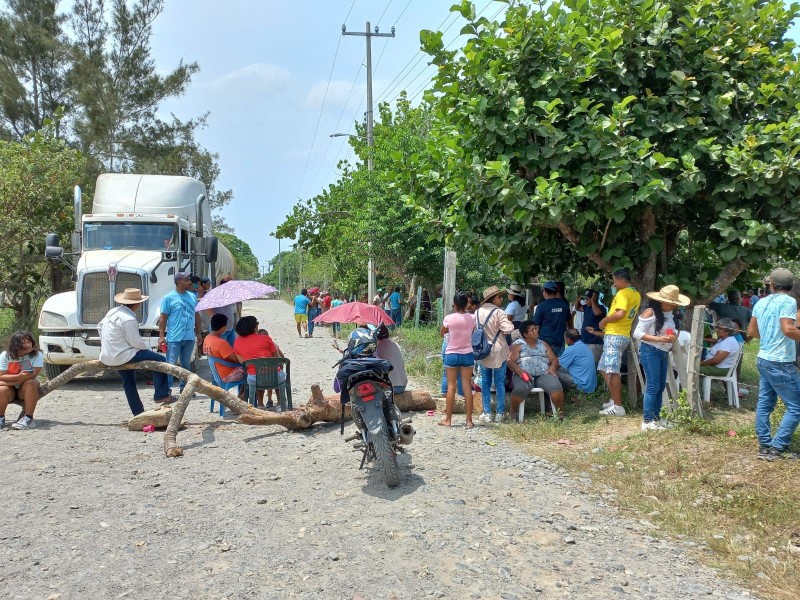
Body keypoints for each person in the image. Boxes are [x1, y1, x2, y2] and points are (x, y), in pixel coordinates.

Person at [747, 268, 800, 460]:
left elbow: (751, 330)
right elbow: (788, 329)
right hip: (781, 361)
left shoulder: (761, 302)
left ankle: (765, 445)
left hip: (764, 357)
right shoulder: (788, 301)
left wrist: (769, 339)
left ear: (771, 285)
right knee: (796, 406)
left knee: (765, 403)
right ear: (791, 285)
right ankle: (777, 447)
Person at [98, 288, 175, 415]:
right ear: (138, 304)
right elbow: (136, 342)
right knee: (160, 359)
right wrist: (150, 350)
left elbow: (99, 327)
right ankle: (161, 395)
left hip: (108, 355)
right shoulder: (128, 318)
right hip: (123, 354)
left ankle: (138, 413)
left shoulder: (112, 312)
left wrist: (107, 345)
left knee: (129, 383)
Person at [632, 285, 689, 431]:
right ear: (661, 301)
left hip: (663, 352)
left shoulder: (669, 314)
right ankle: (647, 420)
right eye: (670, 303)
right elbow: (637, 334)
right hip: (650, 351)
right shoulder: (650, 312)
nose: (672, 306)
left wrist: (672, 336)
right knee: (652, 386)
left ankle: (656, 418)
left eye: (674, 304)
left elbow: (672, 331)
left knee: (660, 385)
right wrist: (659, 339)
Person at [588, 267, 641, 417]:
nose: (614, 284)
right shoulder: (635, 294)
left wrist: (604, 320)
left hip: (616, 334)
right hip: (620, 334)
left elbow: (620, 313)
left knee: (612, 370)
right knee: (603, 368)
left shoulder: (623, 293)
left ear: (621, 280)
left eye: (615, 281)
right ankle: (614, 399)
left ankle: (618, 407)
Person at [508, 321, 565, 420]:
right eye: (532, 330)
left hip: (543, 373)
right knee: (521, 389)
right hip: (524, 374)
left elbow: (554, 359)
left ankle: (559, 412)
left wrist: (552, 368)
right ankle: (513, 411)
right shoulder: (519, 345)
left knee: (556, 386)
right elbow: (510, 361)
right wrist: (520, 372)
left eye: (536, 328)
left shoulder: (543, 344)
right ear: (525, 334)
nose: (536, 331)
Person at [158, 272, 202, 395]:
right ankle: (166, 391)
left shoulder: (192, 296)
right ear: (179, 282)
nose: (190, 282)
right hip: (174, 337)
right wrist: (161, 336)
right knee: (171, 365)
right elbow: (163, 319)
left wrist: (198, 333)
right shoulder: (168, 298)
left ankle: (185, 389)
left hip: (189, 337)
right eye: (187, 280)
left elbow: (196, 316)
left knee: (186, 365)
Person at [475, 285, 514, 423]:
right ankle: (500, 413)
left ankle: (487, 413)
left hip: (483, 349)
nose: (501, 299)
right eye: (499, 297)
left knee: (485, 382)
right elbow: (508, 329)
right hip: (498, 350)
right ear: (493, 299)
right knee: (499, 382)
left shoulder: (478, 312)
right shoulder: (499, 312)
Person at [439, 292, 476, 428]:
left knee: (451, 387)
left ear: (454, 304)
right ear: (467, 304)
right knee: (467, 386)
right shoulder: (472, 318)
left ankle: (448, 420)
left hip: (452, 353)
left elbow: (442, 332)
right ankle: (469, 420)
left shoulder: (449, 318)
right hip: (467, 353)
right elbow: (472, 331)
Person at [233, 315, 286, 409]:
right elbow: (276, 358)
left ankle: (260, 404)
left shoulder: (237, 342)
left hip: (254, 380)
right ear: (254, 327)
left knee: (255, 373)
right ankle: (280, 402)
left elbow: (243, 362)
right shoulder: (266, 338)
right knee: (276, 372)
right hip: (274, 378)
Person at [0, 331, 44, 430]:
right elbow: (1, 376)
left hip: (25, 389)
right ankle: (1, 418)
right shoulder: (5, 355)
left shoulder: (37, 354)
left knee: (32, 382)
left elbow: (32, 376)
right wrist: (19, 377)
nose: (27, 345)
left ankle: (28, 418)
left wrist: (11, 380)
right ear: (16, 345)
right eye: (23, 343)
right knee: (1, 389)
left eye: (29, 342)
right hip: (9, 390)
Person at [203, 313, 246, 399]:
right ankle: (241, 399)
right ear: (223, 328)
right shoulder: (221, 343)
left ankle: (241, 396)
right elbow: (236, 359)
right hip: (227, 374)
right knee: (252, 374)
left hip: (216, 373)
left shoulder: (208, 338)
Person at [533, 281, 571, 355]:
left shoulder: (541, 306)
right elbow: (569, 320)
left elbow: (536, 326)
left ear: (545, 291)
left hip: (545, 341)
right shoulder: (564, 304)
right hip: (560, 341)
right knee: (558, 364)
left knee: (546, 364)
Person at [556, 328, 598, 394]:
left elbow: (556, 364)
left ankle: (562, 393)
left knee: (554, 372)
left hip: (582, 386)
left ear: (568, 340)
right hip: (591, 386)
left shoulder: (571, 349)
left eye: (565, 339)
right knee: (561, 369)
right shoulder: (584, 346)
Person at [375, 325, 409, 396]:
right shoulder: (396, 344)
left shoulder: (378, 347)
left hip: (390, 388)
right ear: (388, 334)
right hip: (403, 386)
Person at [580, 289, 607, 364]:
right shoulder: (586, 307)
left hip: (594, 341)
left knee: (592, 364)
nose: (586, 301)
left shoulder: (601, 308)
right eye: (585, 299)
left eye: (588, 299)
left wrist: (593, 301)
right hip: (585, 340)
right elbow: (577, 307)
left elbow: (597, 313)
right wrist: (578, 299)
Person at [212, 275, 237, 346]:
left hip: (230, 328)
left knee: (232, 350)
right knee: (221, 350)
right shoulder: (216, 295)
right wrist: (216, 319)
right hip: (220, 330)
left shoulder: (229, 295)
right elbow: (208, 309)